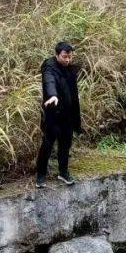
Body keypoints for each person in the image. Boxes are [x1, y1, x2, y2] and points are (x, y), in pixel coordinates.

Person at [36, 41, 83, 188]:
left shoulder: (69, 68)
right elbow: (49, 81)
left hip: (68, 113)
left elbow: (73, 92)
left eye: (69, 57)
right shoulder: (49, 66)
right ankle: (40, 175)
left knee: (65, 144)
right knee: (47, 144)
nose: (67, 60)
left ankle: (63, 172)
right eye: (64, 57)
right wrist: (52, 95)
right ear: (57, 55)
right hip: (53, 113)